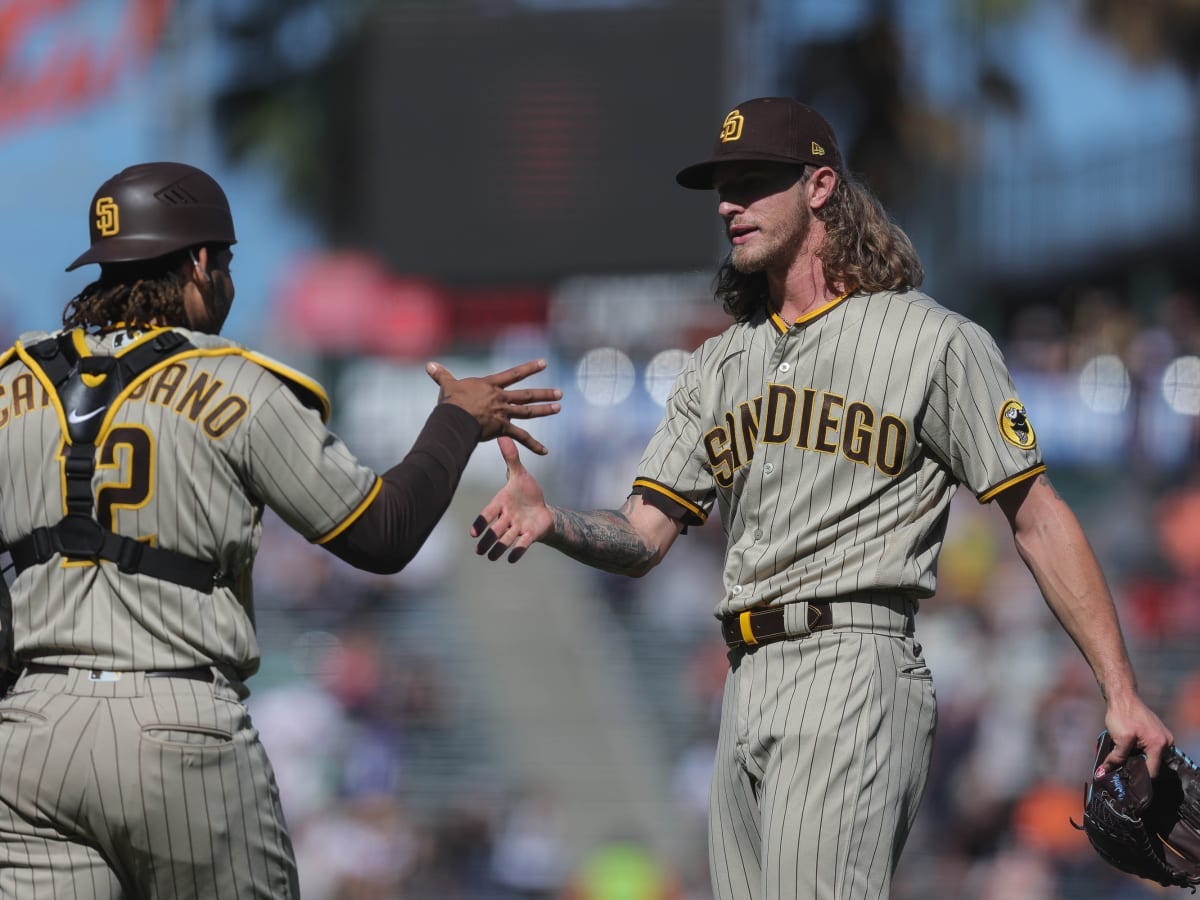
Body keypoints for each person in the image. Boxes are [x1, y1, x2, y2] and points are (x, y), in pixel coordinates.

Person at [470, 97, 1173, 899]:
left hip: (855, 658)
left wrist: (1120, 693)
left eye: (753, 181)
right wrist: (549, 520)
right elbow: (643, 535)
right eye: (722, 186)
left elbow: (1038, 515)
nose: (730, 202)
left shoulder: (932, 341)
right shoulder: (717, 366)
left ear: (819, 187)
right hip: (746, 680)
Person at [0, 161, 561, 899]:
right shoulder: (235, 383)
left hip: (29, 734)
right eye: (225, 262)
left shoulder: (10, 386)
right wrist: (457, 419)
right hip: (176, 723)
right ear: (200, 264)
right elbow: (381, 534)